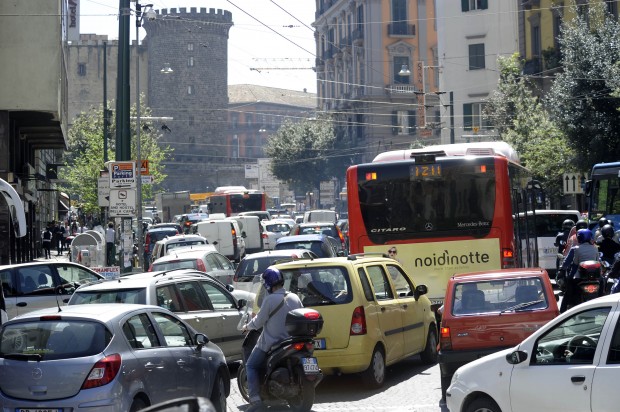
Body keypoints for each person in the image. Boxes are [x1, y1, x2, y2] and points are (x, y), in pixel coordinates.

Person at [242, 267, 303, 412]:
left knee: (250, 365)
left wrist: (247, 326)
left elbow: (258, 322)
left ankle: (255, 399)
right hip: (292, 342)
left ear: (268, 284)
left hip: (271, 344)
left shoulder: (269, 300)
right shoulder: (295, 297)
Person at [557, 228, 600, 313]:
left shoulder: (575, 248)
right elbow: (597, 261)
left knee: (568, 292)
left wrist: (562, 270)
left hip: (578, 277)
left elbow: (575, 263)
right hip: (594, 277)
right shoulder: (595, 248)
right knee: (601, 286)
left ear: (579, 238)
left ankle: (562, 312)